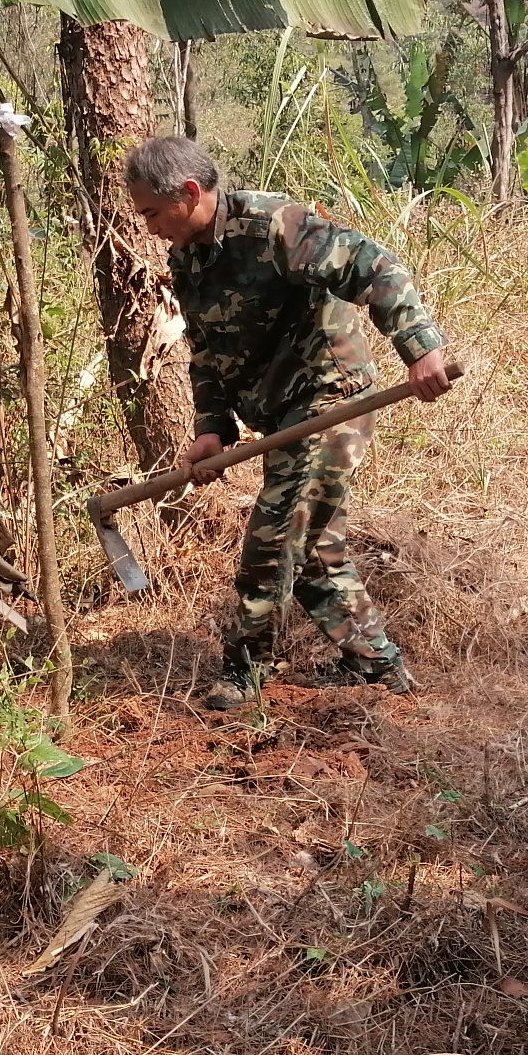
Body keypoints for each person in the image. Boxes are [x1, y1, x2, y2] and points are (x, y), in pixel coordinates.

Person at [122, 135, 453, 711]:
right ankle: (382, 671)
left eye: (151, 212)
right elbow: (205, 349)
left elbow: (375, 265)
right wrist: (213, 427)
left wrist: (420, 347)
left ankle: (244, 672)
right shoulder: (188, 257)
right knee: (315, 549)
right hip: (278, 413)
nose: (148, 226)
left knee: (274, 538)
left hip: (329, 399)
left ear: (190, 192)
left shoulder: (274, 225)